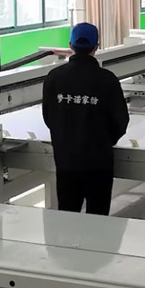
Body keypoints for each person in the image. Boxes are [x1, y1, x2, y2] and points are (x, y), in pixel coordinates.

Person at [42, 23, 129, 216]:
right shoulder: (107, 80)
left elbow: (49, 117)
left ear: (70, 45)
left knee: (67, 217)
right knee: (97, 219)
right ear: (96, 46)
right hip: (99, 164)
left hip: (66, 162)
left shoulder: (54, 78)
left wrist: (64, 139)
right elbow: (121, 121)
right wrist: (103, 142)